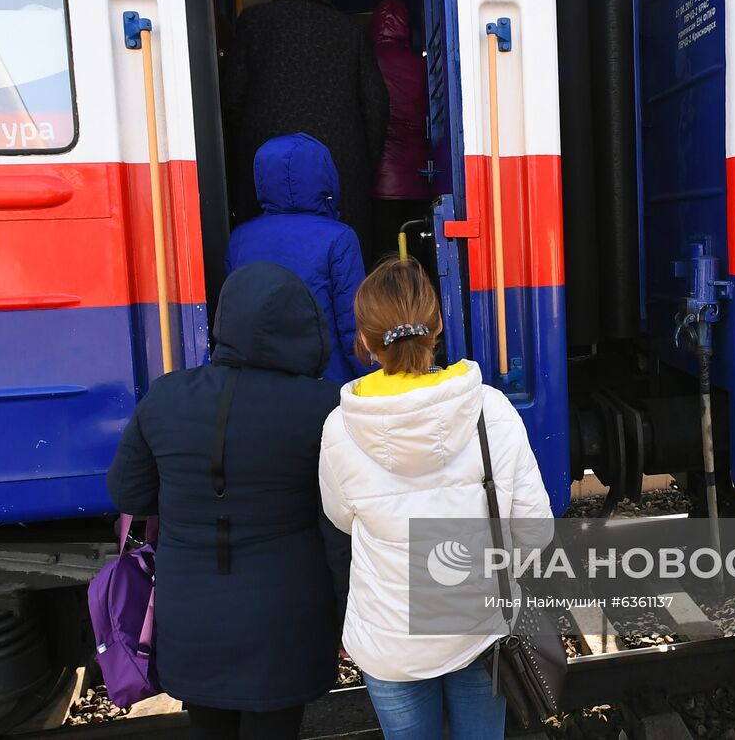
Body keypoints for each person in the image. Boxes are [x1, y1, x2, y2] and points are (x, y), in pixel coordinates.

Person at [106, 262, 350, 740]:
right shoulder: (324, 406)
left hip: (190, 618)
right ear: (304, 327)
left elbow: (128, 492)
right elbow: (340, 524)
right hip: (284, 622)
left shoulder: (166, 396)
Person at [318, 257, 553, 740]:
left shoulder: (340, 428)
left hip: (390, 642)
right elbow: (536, 530)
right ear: (438, 325)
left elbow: (341, 518)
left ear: (364, 340)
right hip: (480, 631)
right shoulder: (491, 410)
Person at [221, 0, 390, 250]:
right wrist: (362, 166)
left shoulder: (253, 22)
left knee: (270, 255)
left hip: (266, 168)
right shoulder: (351, 31)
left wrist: (242, 157)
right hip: (339, 172)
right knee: (337, 260)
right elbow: (376, 105)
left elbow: (232, 99)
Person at [226, 133, 368, 385]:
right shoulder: (339, 237)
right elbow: (352, 324)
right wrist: (373, 380)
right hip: (326, 382)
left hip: (259, 385)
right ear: (324, 176)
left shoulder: (240, 238)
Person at [368, 0, 435, 258]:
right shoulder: (422, 66)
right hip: (420, 180)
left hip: (380, 183)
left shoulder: (367, 61)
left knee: (385, 260)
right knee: (415, 259)